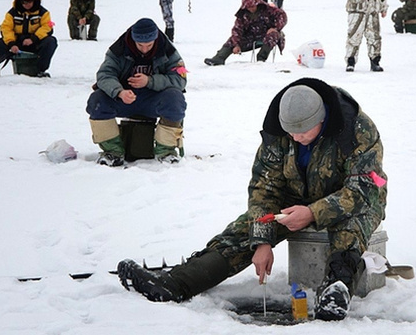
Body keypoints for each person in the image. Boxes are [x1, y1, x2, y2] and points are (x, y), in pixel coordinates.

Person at [117, 77, 387, 322]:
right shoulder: (278, 131)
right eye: (291, 132)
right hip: (295, 196)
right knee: (245, 230)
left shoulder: (356, 129)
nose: (296, 138)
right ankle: (176, 283)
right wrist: (262, 240)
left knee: (350, 226)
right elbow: (264, 188)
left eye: (304, 132)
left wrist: (313, 213)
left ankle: (336, 289)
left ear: (322, 119)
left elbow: (365, 187)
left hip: (355, 199)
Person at [85, 18, 187, 166]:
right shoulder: (118, 49)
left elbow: (180, 80)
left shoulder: (168, 50)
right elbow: (104, 75)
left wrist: (149, 81)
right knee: (97, 100)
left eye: (149, 45)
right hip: (124, 99)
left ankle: (166, 151)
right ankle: (112, 152)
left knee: (175, 99)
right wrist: (119, 92)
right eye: (140, 45)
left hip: (154, 100)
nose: (144, 49)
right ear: (133, 40)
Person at [203, 0, 287, 66]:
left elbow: (282, 16)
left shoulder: (268, 9)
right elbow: (237, 30)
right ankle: (219, 58)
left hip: (267, 34)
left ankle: (261, 59)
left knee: (273, 35)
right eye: (248, 7)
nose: (251, 9)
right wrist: (236, 44)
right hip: (251, 37)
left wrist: (275, 28)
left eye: (253, 6)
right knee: (233, 39)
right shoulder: (242, 15)